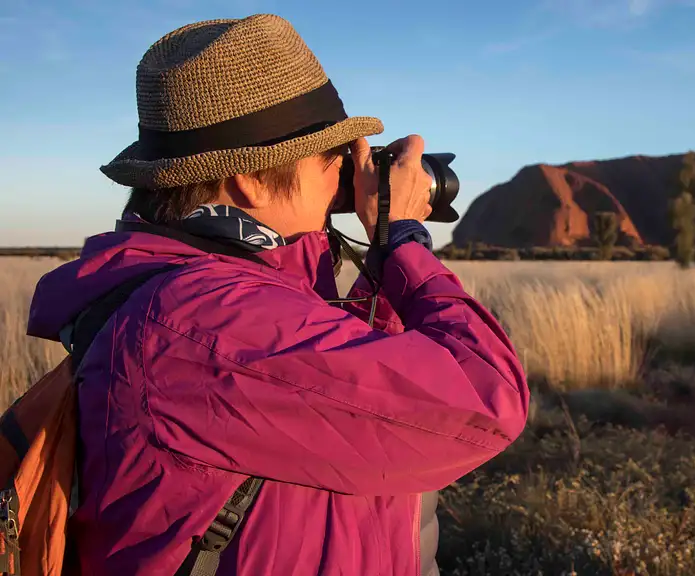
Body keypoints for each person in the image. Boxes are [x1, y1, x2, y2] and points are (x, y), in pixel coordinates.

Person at [26, 13, 529, 576]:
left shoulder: (235, 297)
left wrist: (378, 266)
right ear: (251, 181)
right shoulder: (201, 322)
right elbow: (486, 404)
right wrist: (401, 238)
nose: (348, 171)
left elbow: (374, 397)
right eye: (329, 157)